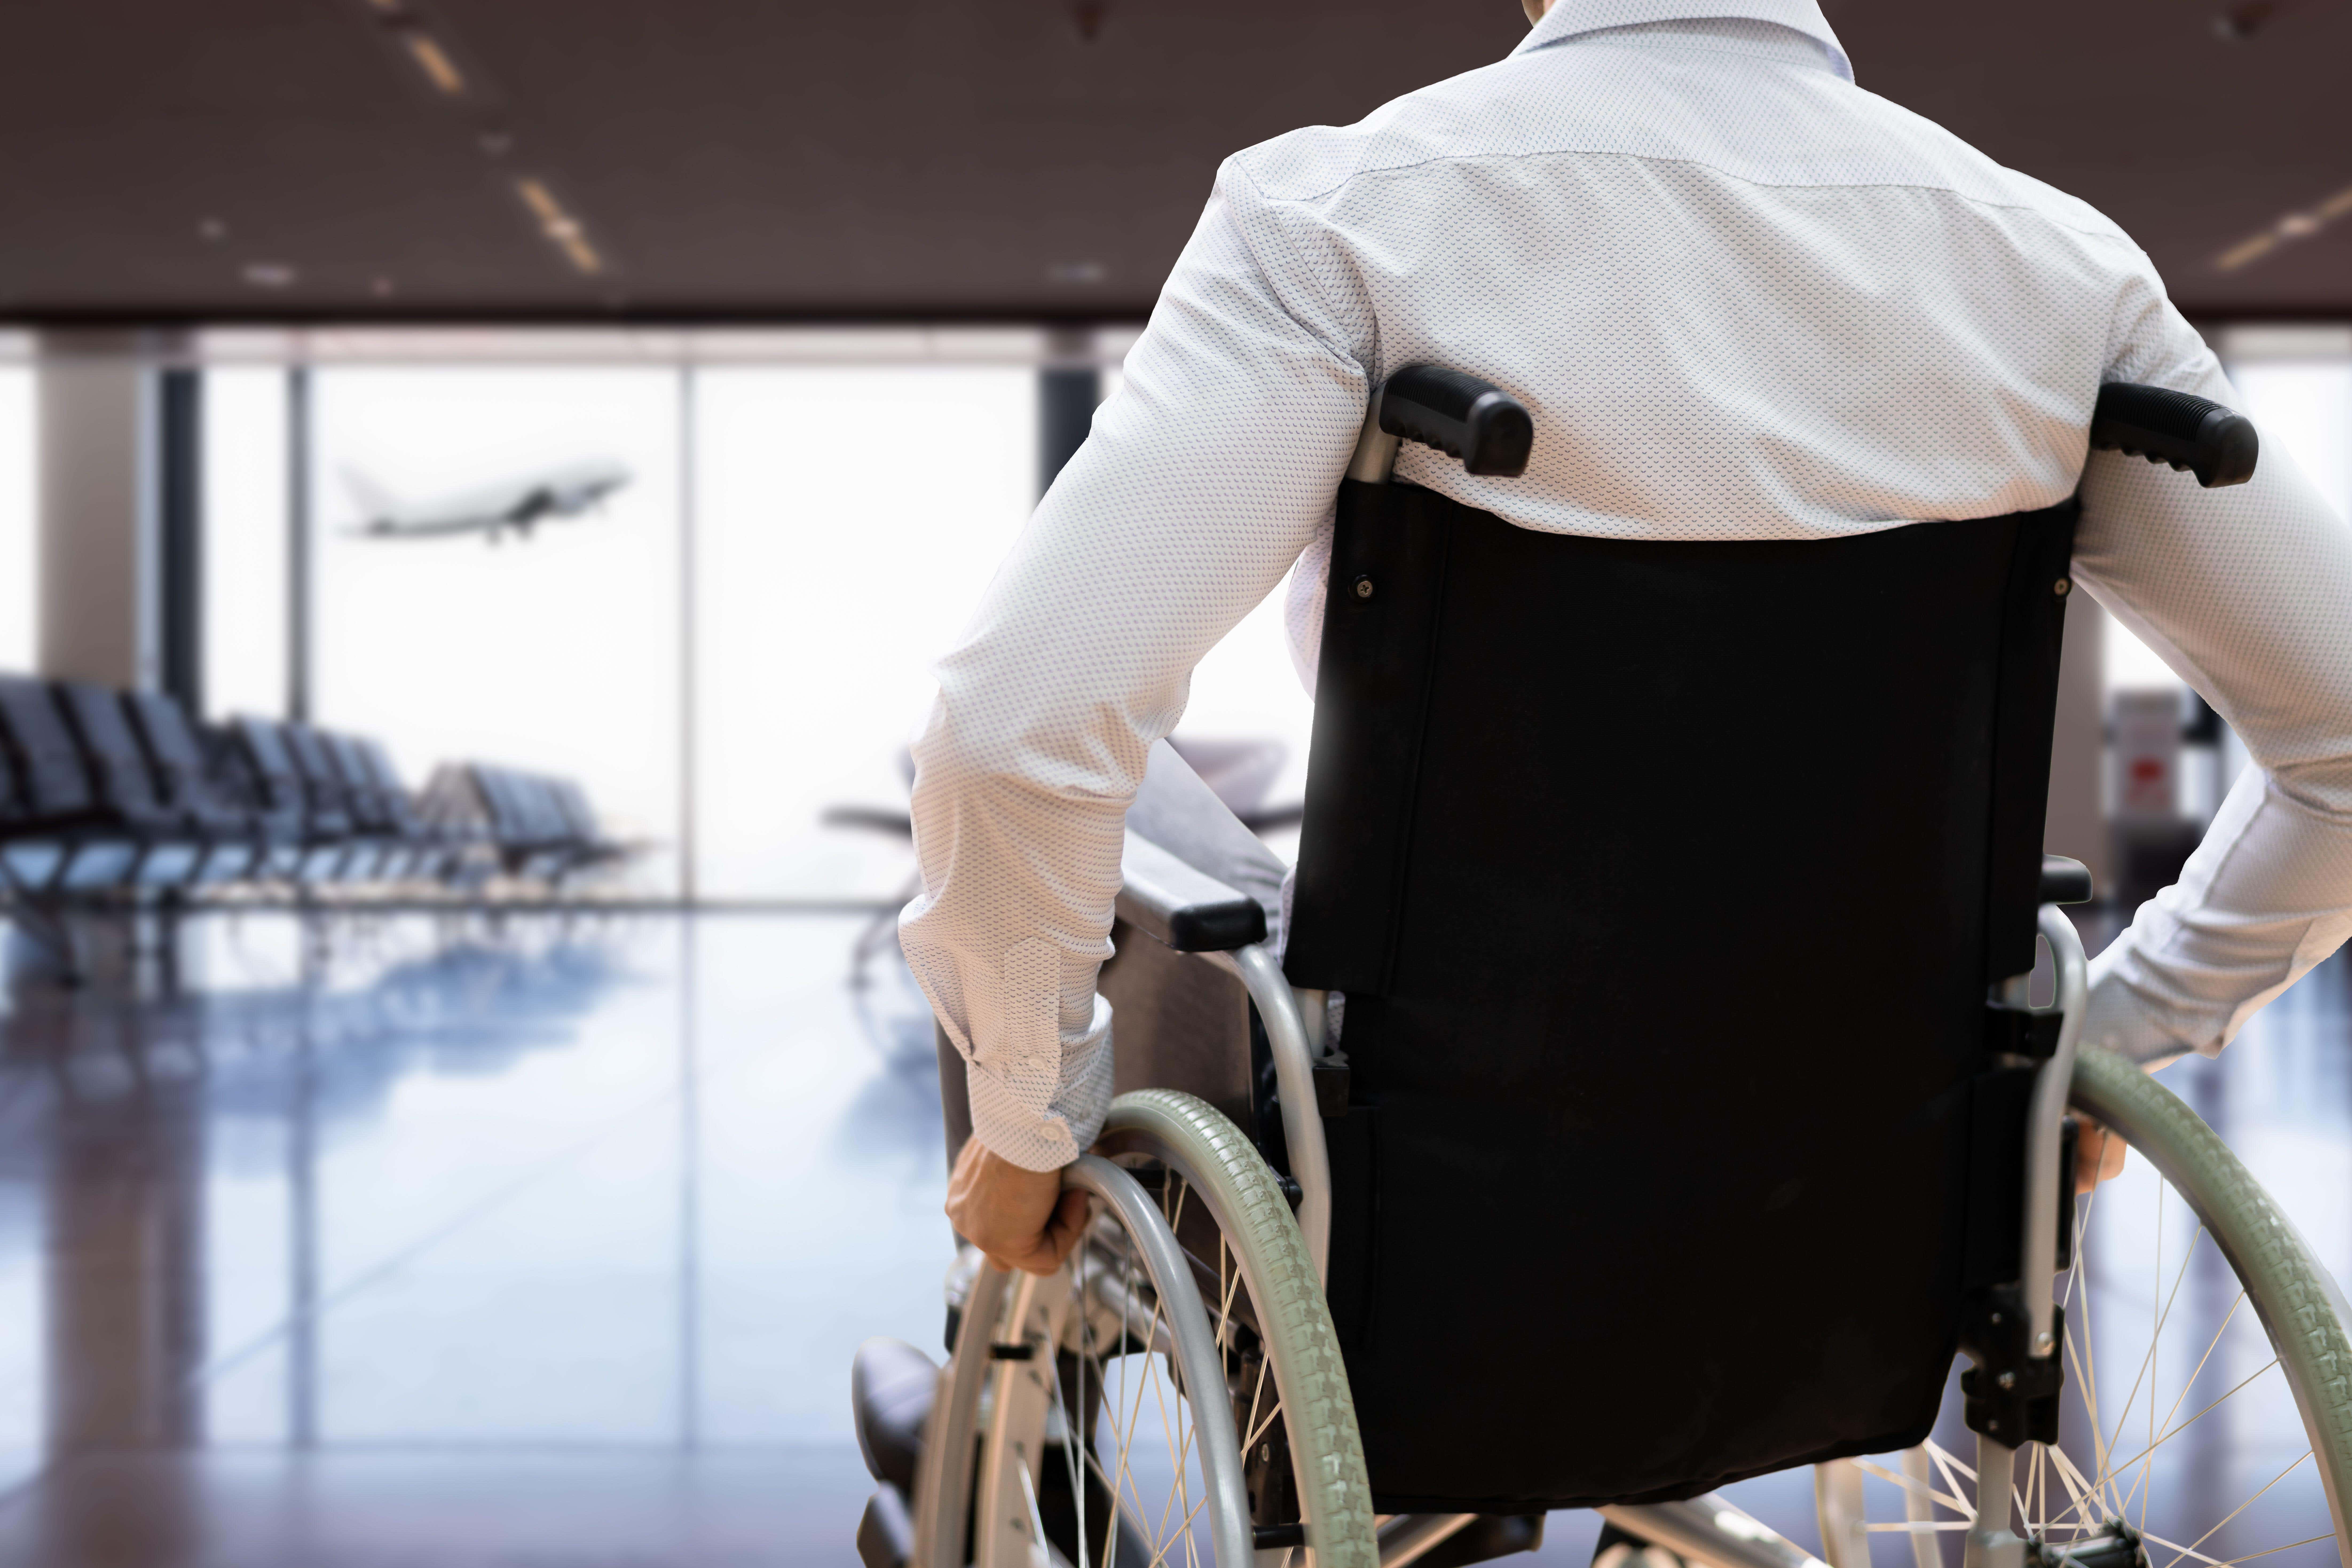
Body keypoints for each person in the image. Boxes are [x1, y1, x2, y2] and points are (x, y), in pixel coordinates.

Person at [903, 0, 2352, 1276]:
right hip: (1872, 1156)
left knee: (1024, 771)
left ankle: (1034, 1382)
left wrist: (1037, 1111)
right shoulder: (2063, 271)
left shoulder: (1343, 221)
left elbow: (1020, 725)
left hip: (1424, 1160)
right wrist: (2105, 1045)